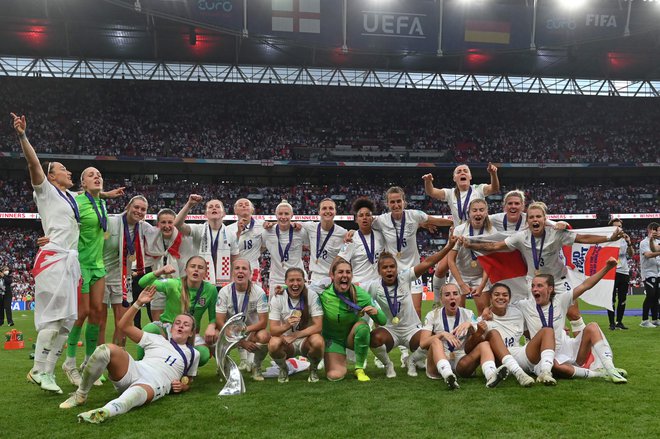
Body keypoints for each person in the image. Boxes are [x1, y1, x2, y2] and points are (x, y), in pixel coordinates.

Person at [461, 202, 624, 334]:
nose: (535, 219)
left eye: (538, 216)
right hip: (535, 283)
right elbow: (496, 246)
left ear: (544, 219)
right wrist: (471, 244)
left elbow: (583, 238)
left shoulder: (556, 233)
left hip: (559, 280)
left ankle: (584, 356)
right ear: (527, 221)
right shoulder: (521, 237)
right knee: (534, 318)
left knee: (574, 315)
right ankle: (532, 352)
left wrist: (608, 237)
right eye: (531, 217)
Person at [13, 112, 81, 394]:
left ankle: (48, 371)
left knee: (67, 322)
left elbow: (92, 197)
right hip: (54, 258)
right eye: (64, 169)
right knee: (54, 317)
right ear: (52, 176)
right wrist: (22, 136)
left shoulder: (70, 198)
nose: (69, 172)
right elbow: (33, 164)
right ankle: (39, 369)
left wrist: (109, 194)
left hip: (69, 261)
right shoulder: (47, 191)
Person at [59, 287, 199, 424]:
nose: (180, 326)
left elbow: (188, 380)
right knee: (105, 350)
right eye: (177, 323)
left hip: (155, 382)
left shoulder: (193, 354)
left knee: (135, 395)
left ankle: (104, 412)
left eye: (186, 325)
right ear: (172, 326)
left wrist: (183, 386)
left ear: (191, 332)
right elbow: (124, 326)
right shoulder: (156, 338)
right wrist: (138, 303)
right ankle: (81, 395)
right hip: (135, 369)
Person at [517, 259, 627, 384]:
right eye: (533, 286)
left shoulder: (561, 300)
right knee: (555, 366)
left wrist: (607, 268)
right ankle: (598, 374)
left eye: (539, 286)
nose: (534, 289)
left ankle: (610, 368)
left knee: (592, 327)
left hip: (567, 349)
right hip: (543, 356)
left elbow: (585, 285)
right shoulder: (525, 305)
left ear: (550, 289)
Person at [366, 234, 457, 379]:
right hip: (390, 330)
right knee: (372, 338)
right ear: (379, 271)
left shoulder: (405, 277)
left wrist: (448, 247)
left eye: (392, 267)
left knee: (433, 340)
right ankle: (388, 364)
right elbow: (359, 298)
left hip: (412, 330)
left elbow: (427, 262)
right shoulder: (374, 286)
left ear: (396, 269)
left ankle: (412, 360)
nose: (389, 270)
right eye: (385, 268)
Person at [423, 163, 500, 304]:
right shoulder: (450, 193)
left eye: (465, 171)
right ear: (454, 178)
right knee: (440, 269)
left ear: (470, 176)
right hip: (458, 236)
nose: (462, 172)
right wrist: (428, 182)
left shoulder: (478, 189)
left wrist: (493, 174)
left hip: (478, 236)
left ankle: (484, 292)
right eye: (459, 171)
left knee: (482, 266)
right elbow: (432, 192)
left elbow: (494, 188)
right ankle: (436, 301)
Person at [371, 186, 452, 318]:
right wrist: (351, 232)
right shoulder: (381, 220)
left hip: (414, 271)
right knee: (390, 312)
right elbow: (365, 227)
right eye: (392, 202)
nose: (396, 205)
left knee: (417, 310)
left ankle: (415, 337)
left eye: (399, 201)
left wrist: (455, 223)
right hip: (393, 273)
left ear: (404, 202)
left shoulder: (415, 215)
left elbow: (436, 221)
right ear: (387, 204)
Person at [62, 167, 109, 386]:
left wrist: (106, 194)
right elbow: (62, 223)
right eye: (91, 175)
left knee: (98, 315)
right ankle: (69, 363)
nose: (97, 176)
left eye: (99, 174)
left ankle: (89, 362)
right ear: (83, 182)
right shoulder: (76, 202)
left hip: (98, 264)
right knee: (82, 314)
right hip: (81, 265)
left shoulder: (102, 203)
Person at [138, 256, 218, 368]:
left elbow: (213, 316)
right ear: (186, 270)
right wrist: (160, 271)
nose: (196, 270)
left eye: (200, 268)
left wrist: (211, 325)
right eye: (192, 266)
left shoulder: (211, 290)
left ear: (205, 273)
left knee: (203, 355)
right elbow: (142, 283)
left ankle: (180, 369)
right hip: (167, 329)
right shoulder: (173, 284)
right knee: (149, 329)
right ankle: (140, 367)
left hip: (190, 334)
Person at [317, 258, 387, 382]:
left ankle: (359, 368)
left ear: (352, 275)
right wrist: (283, 288)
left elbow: (383, 320)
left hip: (351, 337)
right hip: (333, 340)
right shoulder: (323, 292)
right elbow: (299, 288)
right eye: (340, 272)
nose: (345, 275)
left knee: (363, 327)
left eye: (348, 272)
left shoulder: (360, 294)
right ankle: (336, 358)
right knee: (335, 376)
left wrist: (376, 312)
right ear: (332, 276)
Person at [101, 195, 152, 347]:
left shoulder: (143, 227)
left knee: (123, 323)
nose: (139, 211)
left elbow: (166, 229)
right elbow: (99, 239)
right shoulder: (111, 222)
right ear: (127, 207)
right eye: (136, 207)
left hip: (122, 279)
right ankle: (96, 358)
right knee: (100, 322)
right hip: (101, 276)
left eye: (143, 209)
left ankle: (118, 356)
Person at [480, 283, 554, 387]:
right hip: (500, 361)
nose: (501, 297)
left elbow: (528, 333)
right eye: (497, 294)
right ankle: (519, 374)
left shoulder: (517, 312)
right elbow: (473, 347)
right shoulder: (483, 319)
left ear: (509, 299)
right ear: (490, 298)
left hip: (519, 354)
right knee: (493, 333)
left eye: (505, 295)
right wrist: (486, 309)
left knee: (547, 330)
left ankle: (545, 372)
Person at [215, 259, 270, 380]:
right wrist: (240, 341)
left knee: (265, 336)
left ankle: (256, 366)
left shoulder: (259, 292)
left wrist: (244, 330)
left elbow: (263, 322)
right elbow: (219, 321)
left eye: (244, 269)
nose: (240, 271)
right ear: (232, 272)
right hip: (230, 331)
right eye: (237, 268)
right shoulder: (224, 292)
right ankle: (224, 366)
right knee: (214, 335)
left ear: (250, 273)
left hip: (250, 331)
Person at [268, 267, 324, 383]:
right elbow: (273, 330)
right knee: (273, 343)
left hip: (306, 340)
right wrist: (286, 326)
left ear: (304, 281)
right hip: (287, 342)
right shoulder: (278, 297)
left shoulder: (312, 295)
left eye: (299, 280)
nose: (295, 284)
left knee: (318, 341)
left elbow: (318, 326)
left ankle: (313, 370)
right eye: (291, 280)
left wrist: (296, 335)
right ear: (286, 282)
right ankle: (283, 369)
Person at [419, 283, 477, 390]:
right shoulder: (432, 315)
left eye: (455, 294)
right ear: (441, 299)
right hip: (437, 362)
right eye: (447, 295)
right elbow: (423, 343)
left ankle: (491, 372)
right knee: (436, 341)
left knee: (484, 345)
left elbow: (479, 336)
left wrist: (470, 325)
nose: (452, 297)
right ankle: (448, 375)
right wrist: (441, 334)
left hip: (460, 360)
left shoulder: (469, 314)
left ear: (460, 297)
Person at [175, 194, 235, 288]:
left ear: (224, 214)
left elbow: (234, 260)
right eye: (210, 207)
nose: (214, 208)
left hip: (224, 283)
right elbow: (177, 224)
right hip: (200, 281)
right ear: (206, 214)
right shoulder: (199, 229)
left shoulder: (231, 233)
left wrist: (233, 282)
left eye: (217, 207)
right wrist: (189, 205)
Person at [143, 208, 193, 323]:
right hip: (158, 285)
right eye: (163, 222)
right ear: (157, 224)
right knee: (157, 324)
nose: (167, 226)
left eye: (170, 222)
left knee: (178, 323)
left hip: (178, 286)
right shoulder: (151, 240)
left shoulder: (185, 239)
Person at [448, 199, 494, 314]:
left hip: (480, 275)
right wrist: (461, 284)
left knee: (484, 309)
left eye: (481, 210)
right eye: (474, 210)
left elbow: (489, 264)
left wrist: (481, 286)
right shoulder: (459, 230)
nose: (478, 213)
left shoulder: (492, 232)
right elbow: (450, 260)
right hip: (460, 274)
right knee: (457, 310)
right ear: (469, 213)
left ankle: (481, 332)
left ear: (486, 212)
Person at [261, 200, 308, 294]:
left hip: (297, 278)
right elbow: (260, 249)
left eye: (286, 214)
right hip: (277, 279)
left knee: (301, 308)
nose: (283, 217)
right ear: (276, 215)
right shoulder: (267, 232)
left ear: (292, 215)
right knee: (275, 308)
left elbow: (311, 247)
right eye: (280, 214)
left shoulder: (301, 232)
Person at [337, 197, 386, 285]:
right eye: (361, 215)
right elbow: (338, 260)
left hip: (378, 285)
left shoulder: (381, 236)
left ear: (372, 218)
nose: (364, 218)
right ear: (356, 219)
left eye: (367, 215)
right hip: (358, 285)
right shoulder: (351, 239)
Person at [301, 198, 347, 282]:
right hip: (315, 278)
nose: (328, 211)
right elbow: (288, 223)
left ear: (335, 212)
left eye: (331, 208)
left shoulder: (343, 233)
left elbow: (346, 249)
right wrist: (272, 224)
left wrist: (353, 231)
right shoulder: (311, 227)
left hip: (334, 278)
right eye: (324, 208)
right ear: (319, 212)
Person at [225, 198, 265, 286]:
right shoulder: (228, 229)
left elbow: (266, 245)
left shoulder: (262, 225)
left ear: (252, 209)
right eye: (240, 205)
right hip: (235, 269)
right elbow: (227, 251)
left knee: (254, 296)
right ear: (235, 210)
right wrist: (238, 233)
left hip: (253, 268)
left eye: (247, 204)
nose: (244, 206)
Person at [607, 218, 633, 330]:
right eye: (615, 226)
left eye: (619, 226)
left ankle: (619, 322)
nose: (618, 228)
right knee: (611, 299)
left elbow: (631, 255)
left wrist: (629, 242)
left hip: (624, 272)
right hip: (611, 271)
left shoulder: (624, 239)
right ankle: (612, 323)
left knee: (622, 299)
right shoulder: (607, 239)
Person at [639, 222, 660, 327]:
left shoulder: (658, 242)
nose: (657, 232)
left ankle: (655, 319)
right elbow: (648, 255)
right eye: (656, 230)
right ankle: (644, 320)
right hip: (648, 272)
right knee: (650, 295)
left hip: (656, 272)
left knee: (656, 296)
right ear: (650, 230)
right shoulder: (644, 242)